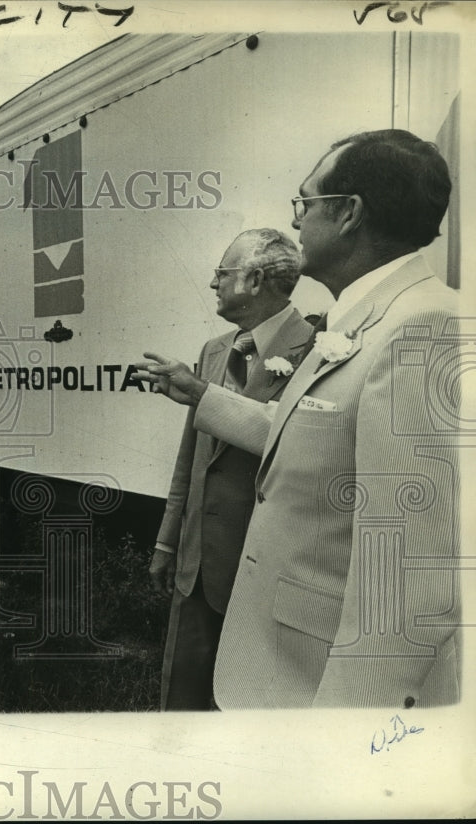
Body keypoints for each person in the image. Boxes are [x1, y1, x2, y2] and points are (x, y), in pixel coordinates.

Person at [135, 129, 460, 708]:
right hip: (281, 668)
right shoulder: (360, 322)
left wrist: (343, 745)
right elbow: (305, 439)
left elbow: (408, 582)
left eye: (303, 203)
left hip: (319, 696)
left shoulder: (419, 328)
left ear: (349, 214)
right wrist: (201, 396)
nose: (296, 222)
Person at [151, 228, 312, 710]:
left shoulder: (319, 350)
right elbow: (191, 457)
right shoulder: (214, 350)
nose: (213, 284)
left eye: (222, 274)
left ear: (256, 280)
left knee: (244, 711)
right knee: (182, 705)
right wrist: (167, 539)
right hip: (196, 566)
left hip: (262, 571)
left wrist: (202, 393)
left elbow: (289, 443)